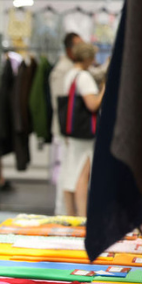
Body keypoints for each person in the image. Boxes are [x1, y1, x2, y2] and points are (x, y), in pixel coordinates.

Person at [60, 42, 104, 217]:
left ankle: (70, 214)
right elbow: (92, 104)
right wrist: (103, 91)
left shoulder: (70, 74)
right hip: (85, 134)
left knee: (70, 172)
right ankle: (82, 216)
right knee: (82, 175)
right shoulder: (84, 77)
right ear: (87, 58)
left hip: (73, 132)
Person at [49, 32, 82, 214]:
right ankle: (62, 212)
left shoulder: (72, 68)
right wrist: (67, 130)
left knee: (71, 171)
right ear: (69, 49)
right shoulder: (63, 70)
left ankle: (67, 212)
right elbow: (61, 104)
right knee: (65, 172)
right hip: (66, 130)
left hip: (70, 130)